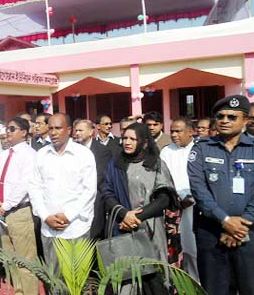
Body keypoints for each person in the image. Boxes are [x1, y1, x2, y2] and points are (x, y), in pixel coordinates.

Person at [187, 95, 254, 295]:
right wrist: (225, 220)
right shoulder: (201, 149)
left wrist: (240, 226)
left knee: (252, 290)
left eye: (231, 117)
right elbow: (199, 191)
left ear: (245, 121)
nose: (225, 120)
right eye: (220, 116)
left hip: (250, 234)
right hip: (212, 235)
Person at [102, 122, 175, 294]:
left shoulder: (155, 164)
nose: (127, 142)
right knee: (125, 277)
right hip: (122, 227)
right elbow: (107, 193)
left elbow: (164, 198)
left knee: (154, 278)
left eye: (133, 139)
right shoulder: (115, 164)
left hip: (150, 229)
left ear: (144, 142)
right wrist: (124, 215)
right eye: (125, 138)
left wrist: (136, 218)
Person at [28, 113, 96, 276]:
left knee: (77, 281)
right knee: (55, 280)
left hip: (76, 227)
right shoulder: (41, 155)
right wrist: (45, 216)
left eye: (58, 128)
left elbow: (89, 190)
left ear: (69, 130)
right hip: (49, 229)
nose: (53, 132)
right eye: (50, 128)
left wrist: (68, 215)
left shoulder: (83, 154)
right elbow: (34, 187)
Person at [0, 117, 39, 295]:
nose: (8, 132)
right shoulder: (5, 154)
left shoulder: (30, 154)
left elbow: (24, 184)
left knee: (25, 262)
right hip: (3, 213)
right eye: (7, 129)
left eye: (12, 129)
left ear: (24, 132)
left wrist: (5, 205)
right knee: (10, 260)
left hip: (19, 212)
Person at [160, 117, 199, 280]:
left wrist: (191, 199)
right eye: (172, 131)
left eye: (178, 131)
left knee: (196, 250)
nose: (174, 135)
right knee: (179, 248)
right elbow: (162, 179)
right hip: (173, 208)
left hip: (196, 207)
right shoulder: (166, 151)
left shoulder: (200, 149)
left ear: (191, 132)